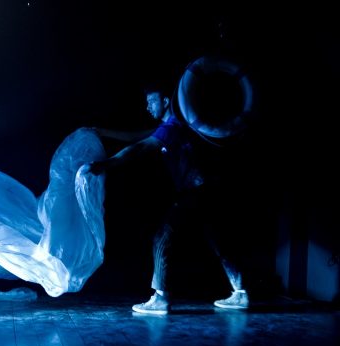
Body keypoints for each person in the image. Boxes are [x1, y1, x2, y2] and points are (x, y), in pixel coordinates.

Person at [85, 82, 249, 315]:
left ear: (164, 101)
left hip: (196, 191)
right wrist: (103, 132)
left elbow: (141, 147)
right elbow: (137, 136)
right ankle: (241, 292)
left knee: (163, 237)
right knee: (218, 241)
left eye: (151, 101)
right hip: (205, 191)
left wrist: (106, 164)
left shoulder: (172, 127)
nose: (147, 107)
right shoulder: (172, 126)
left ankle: (161, 298)